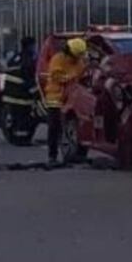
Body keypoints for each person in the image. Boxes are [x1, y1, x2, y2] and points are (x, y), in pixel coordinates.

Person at [44, 37, 87, 166]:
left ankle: (76, 153)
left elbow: (82, 75)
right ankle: (52, 156)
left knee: (75, 125)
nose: (77, 59)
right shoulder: (58, 59)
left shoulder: (79, 61)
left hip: (72, 97)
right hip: (56, 97)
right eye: (76, 56)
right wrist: (72, 78)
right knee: (54, 127)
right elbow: (56, 76)